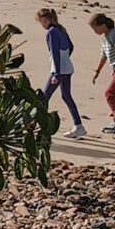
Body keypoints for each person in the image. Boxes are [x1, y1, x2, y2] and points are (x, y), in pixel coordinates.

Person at [38, 9, 86, 138]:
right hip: (68, 68)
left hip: (59, 71)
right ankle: (79, 126)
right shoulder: (61, 29)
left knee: (44, 97)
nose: (41, 24)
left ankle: (34, 124)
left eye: (42, 21)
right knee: (66, 96)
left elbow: (54, 53)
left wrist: (57, 74)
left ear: (46, 20)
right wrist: (66, 61)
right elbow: (71, 47)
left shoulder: (51, 32)